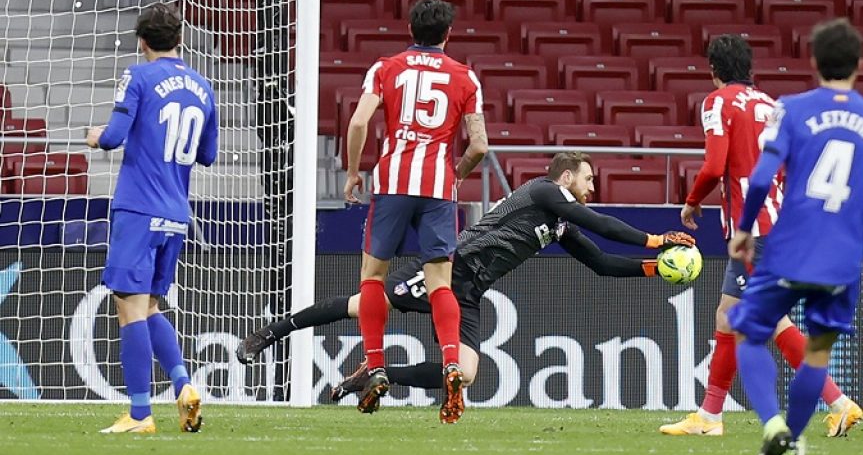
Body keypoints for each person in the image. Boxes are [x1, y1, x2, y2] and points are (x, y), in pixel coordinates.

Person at [236, 151, 694, 399]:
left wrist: (656, 268)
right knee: (361, 304)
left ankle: (376, 375)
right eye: (588, 180)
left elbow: (601, 263)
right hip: (450, 272)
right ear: (568, 175)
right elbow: (602, 224)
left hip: (472, 291)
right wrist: (654, 240)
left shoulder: (558, 223)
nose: (592, 189)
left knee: (468, 374)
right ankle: (270, 333)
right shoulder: (543, 191)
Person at [660, 34, 863, 438]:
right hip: (784, 225)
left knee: (757, 320)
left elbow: (715, 165)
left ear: (713, 70)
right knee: (737, 315)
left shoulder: (717, 102)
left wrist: (692, 201)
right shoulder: (773, 106)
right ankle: (710, 415)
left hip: (755, 231)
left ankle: (838, 403)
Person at [727, 19, 863, 455]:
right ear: (861, 66)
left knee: (747, 332)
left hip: (789, 248)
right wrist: (848, 231)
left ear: (813, 62)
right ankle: (793, 442)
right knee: (817, 354)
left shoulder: (791, 109)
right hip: (842, 261)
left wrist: (744, 229)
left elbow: (762, 176)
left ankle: (773, 429)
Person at [344, 0, 489, 424]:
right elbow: (479, 145)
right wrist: (457, 172)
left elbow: (358, 123)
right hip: (438, 188)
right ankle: (450, 363)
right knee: (440, 284)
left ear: (410, 29)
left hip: (392, 183)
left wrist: (353, 171)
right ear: (449, 34)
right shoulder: (466, 77)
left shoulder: (385, 68)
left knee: (373, 277)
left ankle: (374, 366)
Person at [86, 2, 218, 434]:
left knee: (129, 308)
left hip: (139, 207)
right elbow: (209, 155)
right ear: (179, 40)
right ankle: (184, 385)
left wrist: (96, 138)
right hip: (177, 213)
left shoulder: (139, 76)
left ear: (141, 42)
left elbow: (113, 137)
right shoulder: (202, 85)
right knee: (151, 306)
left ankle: (141, 414)